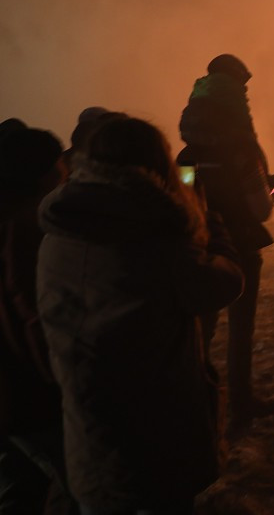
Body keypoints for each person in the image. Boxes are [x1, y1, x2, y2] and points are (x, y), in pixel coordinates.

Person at [37, 116, 243, 515]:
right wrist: (207, 217)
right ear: (154, 164)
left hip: (88, 431)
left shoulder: (59, 232)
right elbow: (222, 283)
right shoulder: (158, 243)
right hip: (156, 437)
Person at [178, 54, 274, 434]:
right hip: (239, 250)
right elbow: (260, 210)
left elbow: (187, 202)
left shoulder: (186, 155)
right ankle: (241, 405)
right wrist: (271, 190)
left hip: (200, 250)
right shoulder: (243, 151)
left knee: (200, 330)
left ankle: (194, 403)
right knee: (241, 330)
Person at [0, 126, 75, 514]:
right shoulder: (27, 229)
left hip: (13, 398)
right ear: (44, 173)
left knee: (20, 487)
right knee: (82, 487)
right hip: (29, 396)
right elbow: (35, 318)